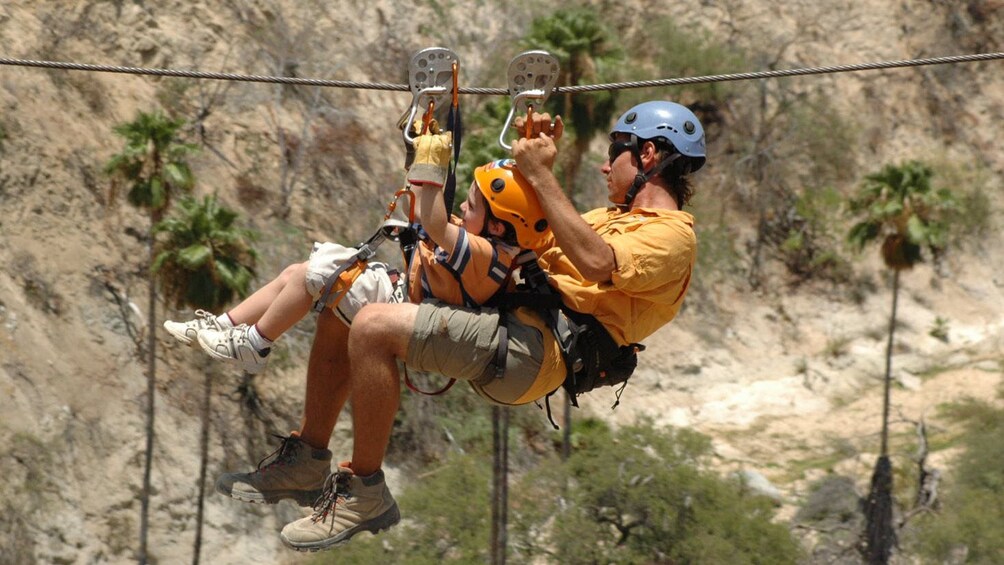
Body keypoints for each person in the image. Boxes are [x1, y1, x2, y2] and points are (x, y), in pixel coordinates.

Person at [232, 100, 705, 553]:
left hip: (535, 352)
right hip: (514, 321)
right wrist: (525, 172)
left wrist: (540, 174)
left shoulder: (672, 237)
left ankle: (365, 491)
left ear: (647, 154)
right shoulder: (611, 217)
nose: (605, 168)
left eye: (612, 155)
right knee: (344, 299)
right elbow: (537, 237)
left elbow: (598, 262)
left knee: (374, 328)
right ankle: (308, 458)